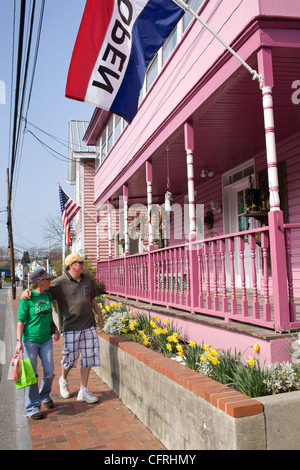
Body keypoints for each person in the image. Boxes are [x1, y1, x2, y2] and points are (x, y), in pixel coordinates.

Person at [21, 254, 104, 404]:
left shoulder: (86, 279)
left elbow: (92, 298)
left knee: (88, 358)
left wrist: (99, 314)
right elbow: (40, 290)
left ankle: (83, 390)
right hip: (71, 326)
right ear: (72, 265)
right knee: (70, 359)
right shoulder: (59, 283)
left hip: (89, 325)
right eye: (79, 262)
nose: (83, 264)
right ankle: (63, 380)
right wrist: (27, 291)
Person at [16, 268, 60, 420]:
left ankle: (44, 395)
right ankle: (32, 408)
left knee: (49, 372)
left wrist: (55, 329)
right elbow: (21, 321)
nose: (50, 281)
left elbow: (48, 316)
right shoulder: (26, 299)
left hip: (46, 339)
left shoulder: (47, 295)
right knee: (31, 375)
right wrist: (18, 342)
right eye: (47, 278)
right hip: (30, 341)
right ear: (40, 281)